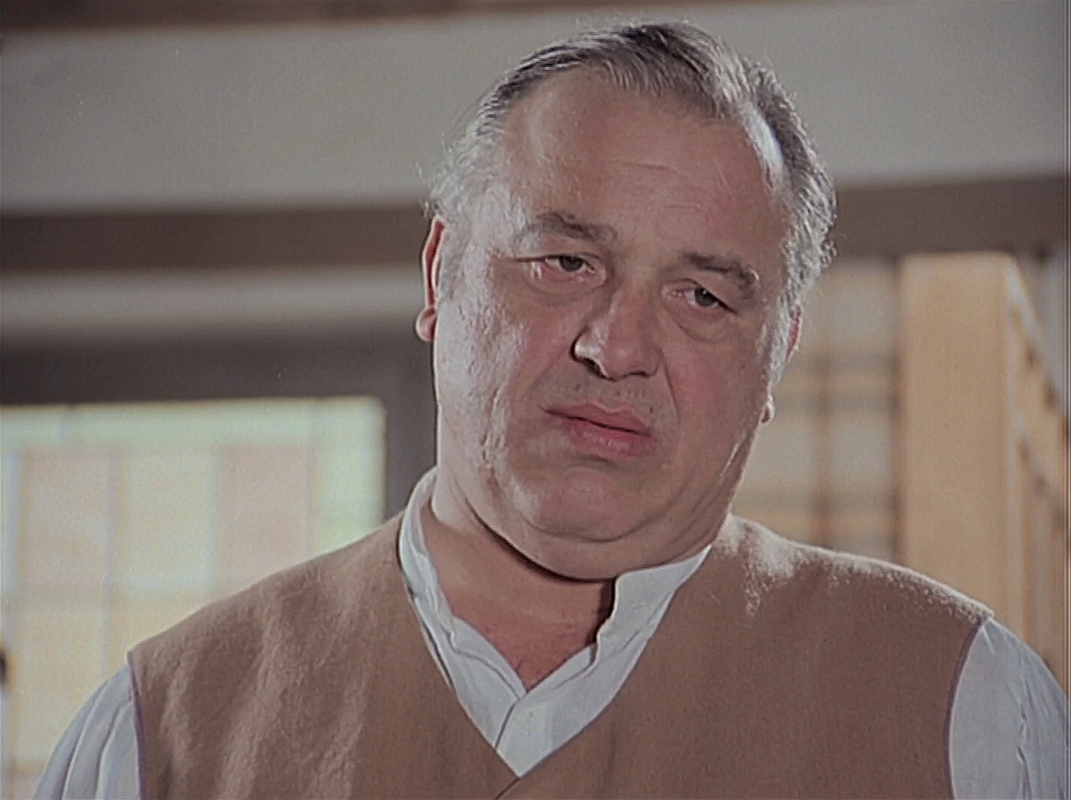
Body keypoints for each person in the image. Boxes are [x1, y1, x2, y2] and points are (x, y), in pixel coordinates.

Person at [37, 21, 1068, 800]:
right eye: (565, 262)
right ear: (441, 276)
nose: (616, 348)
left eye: (702, 297)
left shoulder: (967, 710)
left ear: (776, 357)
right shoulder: (156, 734)